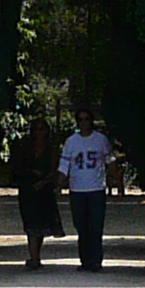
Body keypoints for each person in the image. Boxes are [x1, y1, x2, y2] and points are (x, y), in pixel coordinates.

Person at [59, 107, 111, 271]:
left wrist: (116, 181)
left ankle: (96, 260)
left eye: (87, 119)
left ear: (91, 121)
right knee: (81, 226)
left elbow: (110, 160)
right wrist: (59, 183)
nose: (84, 123)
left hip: (96, 189)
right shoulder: (71, 142)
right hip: (77, 190)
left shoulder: (100, 140)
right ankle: (85, 260)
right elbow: (64, 165)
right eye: (80, 119)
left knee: (95, 226)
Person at [12, 114, 64, 271]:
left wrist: (45, 181)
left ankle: (36, 256)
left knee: (40, 224)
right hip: (27, 189)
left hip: (45, 190)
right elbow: (17, 168)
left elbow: (55, 169)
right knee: (30, 223)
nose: (38, 132)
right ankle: (34, 258)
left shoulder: (52, 149)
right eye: (35, 129)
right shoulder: (24, 147)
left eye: (42, 129)